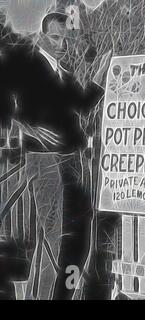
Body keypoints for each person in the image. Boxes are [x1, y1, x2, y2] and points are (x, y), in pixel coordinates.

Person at [0, 11, 111, 299]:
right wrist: (27, 128)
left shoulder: (64, 75)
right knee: (52, 234)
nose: (61, 44)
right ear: (41, 36)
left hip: (73, 158)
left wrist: (100, 75)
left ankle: (65, 294)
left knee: (80, 230)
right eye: (55, 38)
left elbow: (84, 105)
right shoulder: (26, 65)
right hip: (46, 159)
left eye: (65, 38)